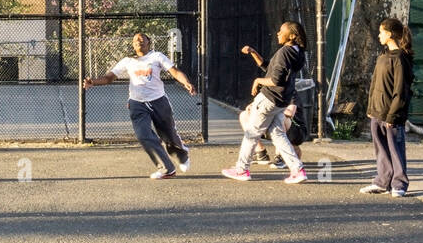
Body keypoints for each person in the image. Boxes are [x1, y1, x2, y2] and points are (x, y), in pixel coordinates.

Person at [83, 32, 196, 179]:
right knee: (143, 135)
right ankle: (167, 168)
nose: (139, 41)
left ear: (149, 42)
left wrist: (185, 82)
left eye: (142, 38)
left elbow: (174, 71)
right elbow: (109, 78)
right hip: (137, 103)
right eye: (135, 39)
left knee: (168, 134)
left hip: (158, 101)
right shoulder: (127, 61)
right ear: (133, 45)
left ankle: (182, 155)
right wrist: (93, 82)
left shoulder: (157, 57)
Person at [222, 21, 308, 184]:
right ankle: (297, 170)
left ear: (292, 36)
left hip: (268, 99)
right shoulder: (298, 52)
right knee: (278, 134)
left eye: (281, 31)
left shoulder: (284, 52)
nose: (278, 33)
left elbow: (276, 79)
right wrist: (254, 52)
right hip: (281, 101)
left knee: (252, 133)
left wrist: (257, 81)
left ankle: (241, 169)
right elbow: (269, 67)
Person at [360, 17, 415, 198]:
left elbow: (401, 90)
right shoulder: (383, 57)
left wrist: (393, 116)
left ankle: (399, 184)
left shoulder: (400, 59)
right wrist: (371, 108)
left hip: (392, 115)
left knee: (395, 148)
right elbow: (375, 84)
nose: (379, 35)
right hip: (377, 112)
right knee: (381, 149)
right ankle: (382, 181)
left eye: (382, 32)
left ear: (390, 34)